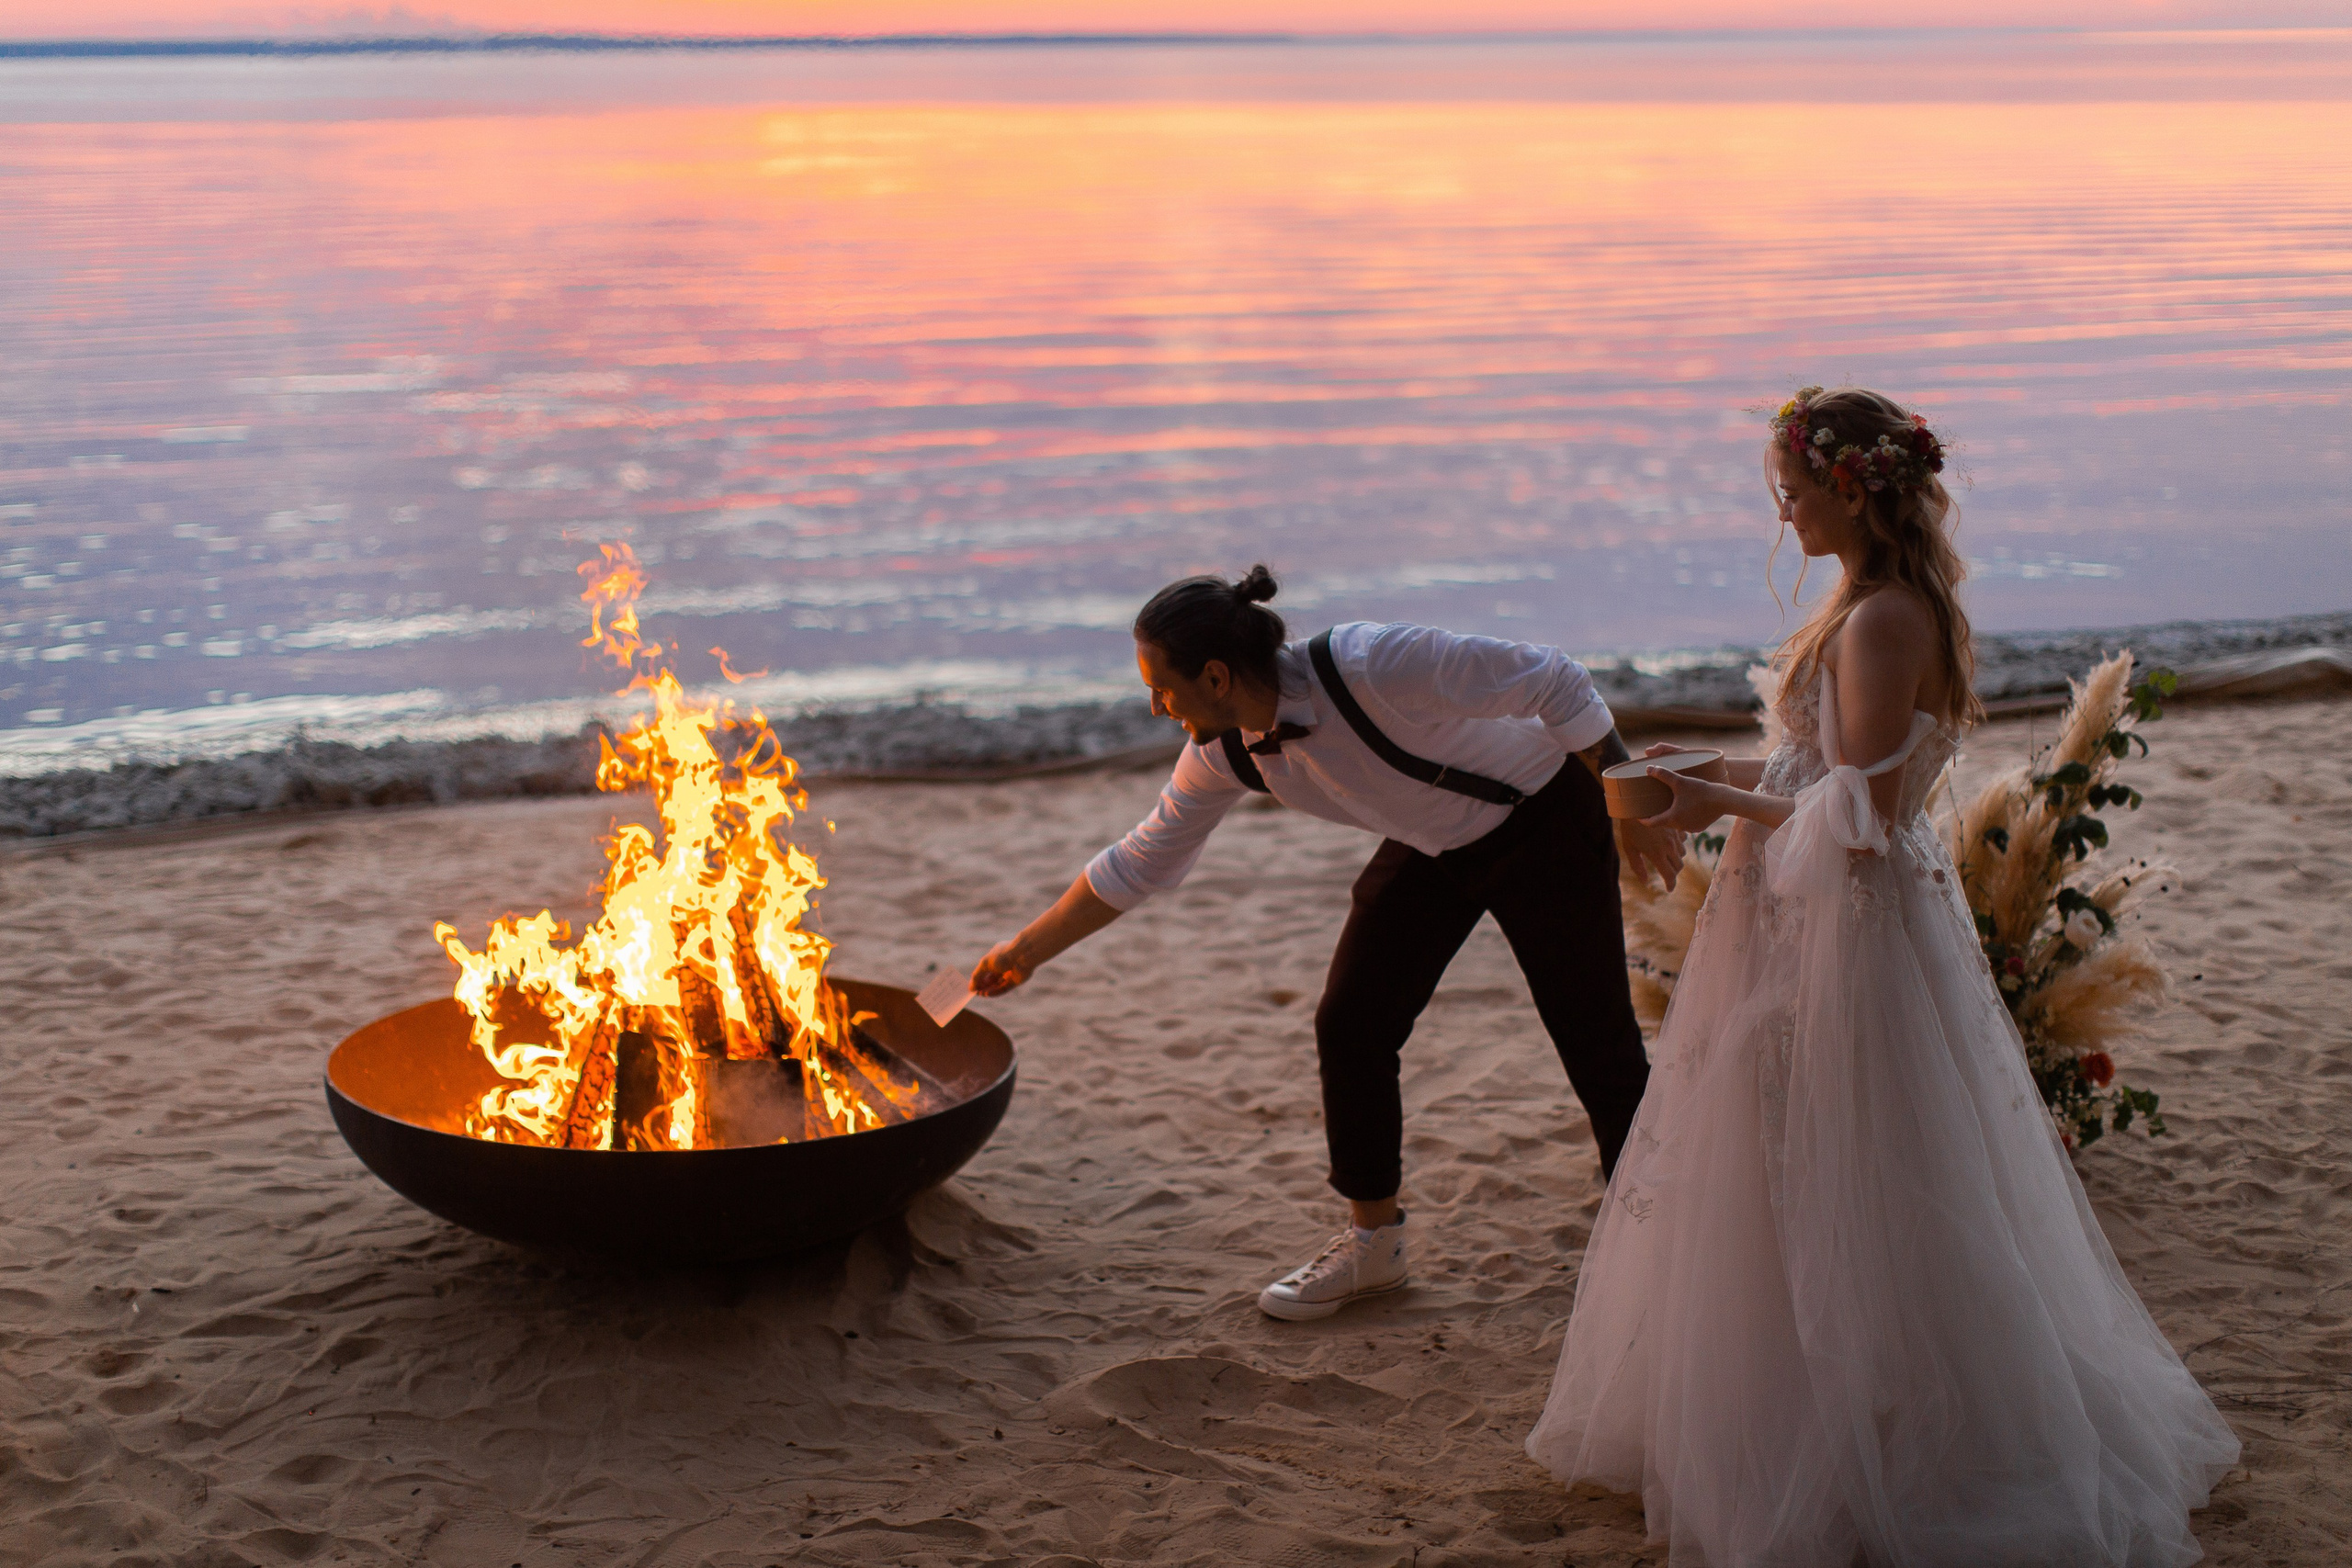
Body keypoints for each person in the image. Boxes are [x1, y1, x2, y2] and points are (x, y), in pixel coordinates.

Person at [1526, 388, 2239, 1564]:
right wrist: (1711, 763)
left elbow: (1856, 818)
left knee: (1865, 1166)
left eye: (1792, 491)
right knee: (1785, 1160)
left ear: (1850, 487)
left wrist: (1708, 804)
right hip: (1805, 918)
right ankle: (1793, 1401)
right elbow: (1821, 765)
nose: (1781, 510)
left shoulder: (1883, 620)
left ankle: (1900, 1432)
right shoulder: (1860, 606)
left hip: (1849, 932)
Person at [968, 569, 1683, 1320]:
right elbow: (1140, 858)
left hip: (1545, 818)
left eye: (1161, 687)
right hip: (1432, 844)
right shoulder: (1226, 753)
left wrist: (1625, 792)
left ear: (1215, 676)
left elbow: (1553, 677)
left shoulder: (1373, 664)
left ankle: (1653, 1237)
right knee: (1351, 1025)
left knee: (1594, 1041)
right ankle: (1375, 1246)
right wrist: (1026, 949)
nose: (1154, 706)